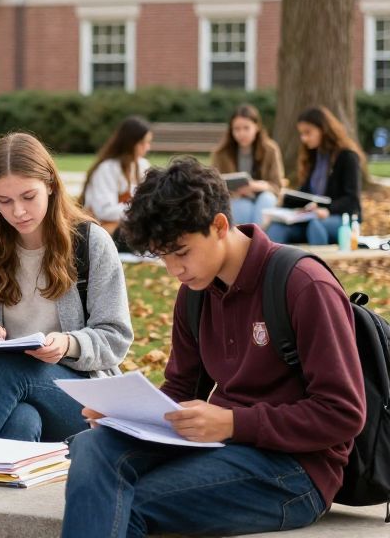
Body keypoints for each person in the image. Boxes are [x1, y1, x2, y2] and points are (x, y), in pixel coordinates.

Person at [61, 158, 365, 538]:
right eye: (163, 256)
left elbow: (344, 413)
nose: (174, 270)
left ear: (219, 226)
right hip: (219, 446)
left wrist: (234, 423)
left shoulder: (303, 285)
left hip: (295, 472)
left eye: (181, 252)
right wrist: (123, 415)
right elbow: (179, 390)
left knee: (124, 503)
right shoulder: (194, 294)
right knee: (93, 447)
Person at [0, 132, 132, 449]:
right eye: (5, 201)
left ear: (51, 186)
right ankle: (13, 467)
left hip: (78, 397)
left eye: (28, 197)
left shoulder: (90, 243)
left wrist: (70, 343)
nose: (18, 211)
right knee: (22, 422)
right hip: (3, 393)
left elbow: (116, 336)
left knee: (11, 367)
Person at [265, 105, 364, 246]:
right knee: (277, 227)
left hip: (341, 219)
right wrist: (285, 203)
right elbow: (307, 194)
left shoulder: (347, 157)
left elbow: (352, 200)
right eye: (301, 134)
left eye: (308, 132)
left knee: (316, 225)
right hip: (312, 216)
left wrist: (327, 210)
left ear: (323, 130)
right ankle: (269, 267)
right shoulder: (313, 156)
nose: (304, 138)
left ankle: (316, 267)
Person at [81, 116, 153, 241]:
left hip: (130, 229)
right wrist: (140, 209)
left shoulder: (143, 165)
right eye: (143, 143)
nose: (147, 147)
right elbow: (104, 211)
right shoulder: (107, 169)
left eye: (148, 142)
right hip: (104, 233)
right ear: (130, 143)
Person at [211, 104, 284, 226]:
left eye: (246, 128)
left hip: (263, 195)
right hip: (236, 199)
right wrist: (235, 192)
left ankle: (257, 242)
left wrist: (256, 186)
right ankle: (247, 241)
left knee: (267, 200)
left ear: (257, 127)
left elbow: (277, 186)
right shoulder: (221, 153)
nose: (241, 133)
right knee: (243, 207)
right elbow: (214, 187)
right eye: (237, 129)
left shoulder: (270, 150)